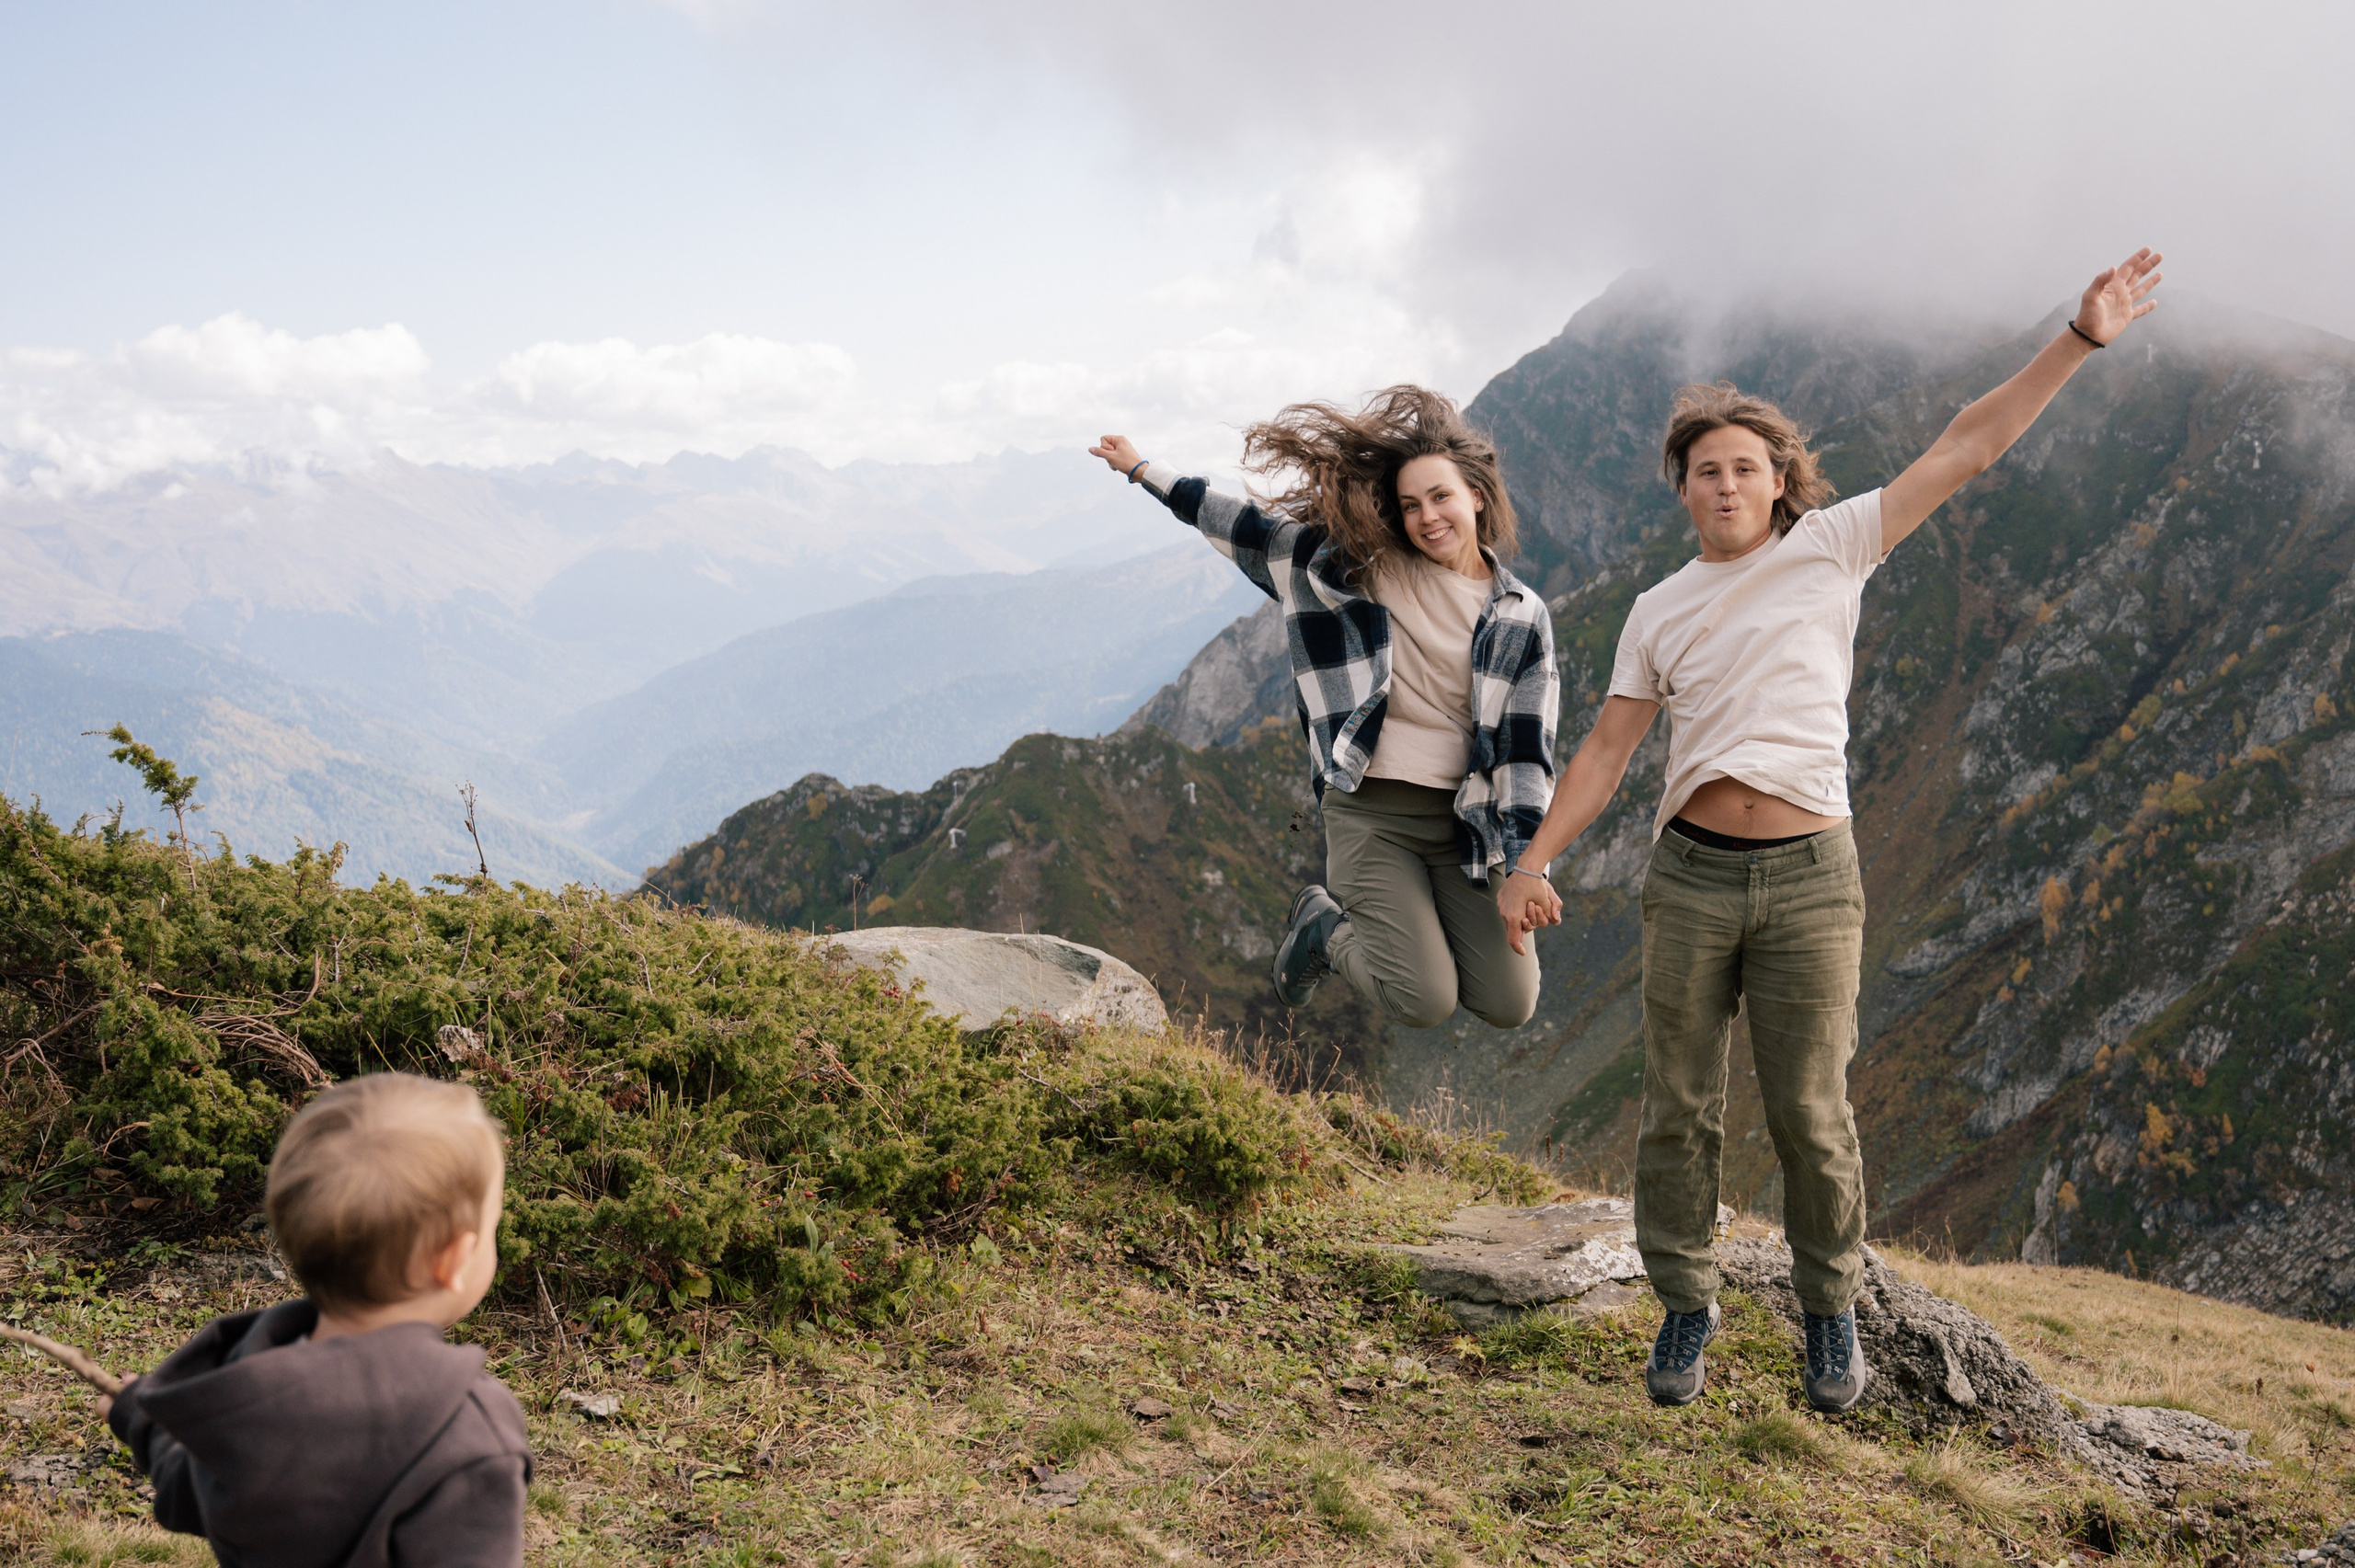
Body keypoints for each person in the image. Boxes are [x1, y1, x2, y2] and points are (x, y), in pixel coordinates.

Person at [1496, 249, 2165, 1413]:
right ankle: (1686, 1303)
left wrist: (2078, 338)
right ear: (1683, 489)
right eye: (1705, 471)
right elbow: (1604, 751)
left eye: (1744, 468)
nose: (1724, 486)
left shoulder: (1833, 545)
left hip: (1811, 875)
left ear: (1778, 482)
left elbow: (1967, 445)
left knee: (1811, 1110)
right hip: (1691, 876)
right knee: (1678, 1104)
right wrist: (1532, 859)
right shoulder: (1656, 610)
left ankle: (1828, 1311)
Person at [1092, 386, 1559, 1029]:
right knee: (1425, 1000)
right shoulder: (1352, 571)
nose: (1427, 518)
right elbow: (1246, 526)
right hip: (1371, 813)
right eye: (1411, 505)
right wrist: (1147, 471)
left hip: (1465, 828)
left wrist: (1529, 863)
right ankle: (1324, 930)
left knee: (1511, 1004)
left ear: (1476, 495)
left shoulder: (1522, 615)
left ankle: (1418, 931)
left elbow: (1526, 753)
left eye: (1441, 497)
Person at [100, 1072, 532, 1567]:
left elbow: (196, 1486)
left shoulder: (245, 1395)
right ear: (453, 1260)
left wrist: (143, 1421)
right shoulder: (466, 1430)